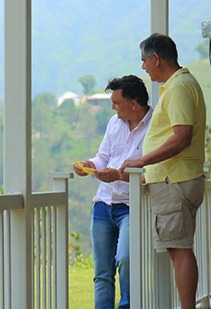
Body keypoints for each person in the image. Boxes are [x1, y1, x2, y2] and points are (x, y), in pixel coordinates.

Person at [119, 33, 206, 309]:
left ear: (156, 58)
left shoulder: (179, 87)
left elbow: (182, 137)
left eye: (144, 60)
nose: (143, 67)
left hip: (174, 180)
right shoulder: (179, 85)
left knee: (180, 250)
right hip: (177, 178)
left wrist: (142, 161)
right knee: (178, 249)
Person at [73, 75, 152, 309]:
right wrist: (89, 164)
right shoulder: (114, 123)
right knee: (102, 272)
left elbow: (154, 172)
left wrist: (119, 175)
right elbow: (103, 157)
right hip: (103, 202)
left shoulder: (156, 125)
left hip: (131, 205)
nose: (112, 107)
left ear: (133, 103)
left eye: (116, 102)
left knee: (126, 260)